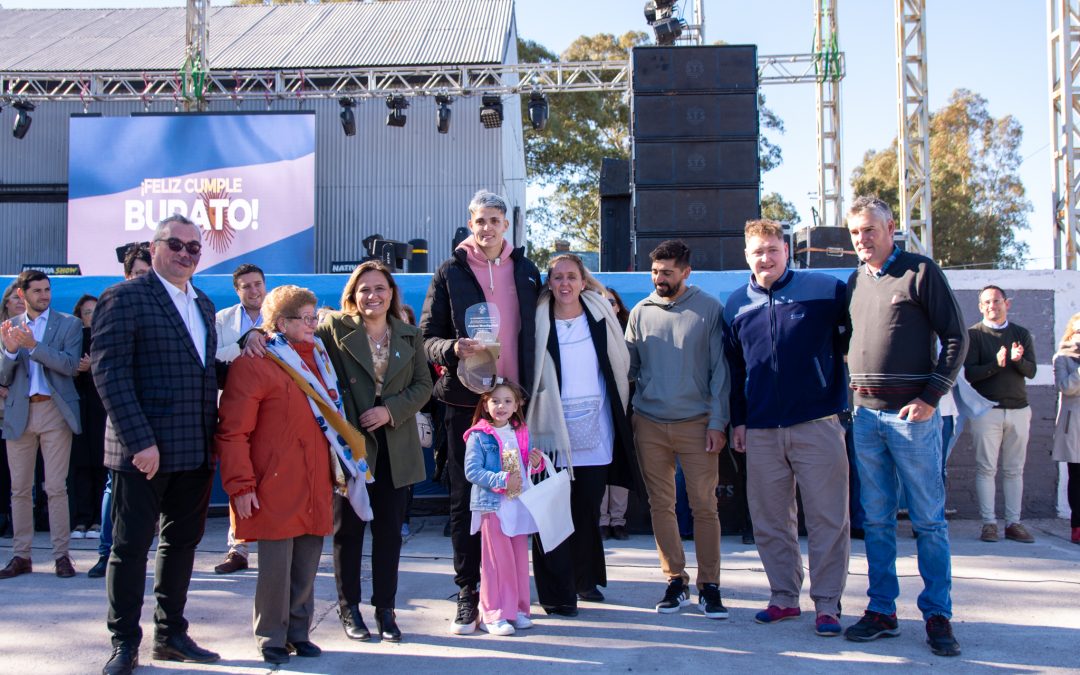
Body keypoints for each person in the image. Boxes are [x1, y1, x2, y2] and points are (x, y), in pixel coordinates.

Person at [92, 214, 223, 674]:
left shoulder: (203, 304)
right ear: (154, 247)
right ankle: (124, 641)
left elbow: (203, 371)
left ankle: (170, 635)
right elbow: (110, 374)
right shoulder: (123, 298)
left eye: (194, 248)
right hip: (142, 454)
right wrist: (139, 442)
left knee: (181, 545)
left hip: (194, 448)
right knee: (130, 550)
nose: (186, 254)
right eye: (177, 245)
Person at [842, 196, 967, 657]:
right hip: (865, 418)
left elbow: (957, 336)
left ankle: (937, 615)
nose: (863, 240)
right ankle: (882, 611)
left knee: (928, 522)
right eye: (855, 233)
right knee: (875, 520)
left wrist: (931, 396)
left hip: (911, 418)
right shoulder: (856, 281)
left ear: (891, 227)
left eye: (870, 230)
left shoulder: (920, 272)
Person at [419, 189, 541, 634]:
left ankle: (509, 594)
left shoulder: (527, 271)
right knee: (466, 501)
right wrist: (453, 348)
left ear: (506, 225)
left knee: (516, 496)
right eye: (479, 221)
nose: (486, 227)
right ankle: (468, 594)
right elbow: (426, 337)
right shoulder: (449, 271)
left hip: (515, 404)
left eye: (494, 220)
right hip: (465, 404)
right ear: (470, 224)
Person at [722, 219, 850, 636]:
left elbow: (852, 345)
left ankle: (828, 604)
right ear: (746, 255)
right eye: (758, 251)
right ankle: (783, 597)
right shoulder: (736, 304)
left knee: (828, 517)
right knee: (770, 519)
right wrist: (739, 420)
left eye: (773, 249)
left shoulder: (827, 291)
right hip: (760, 430)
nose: (766, 258)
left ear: (786, 250)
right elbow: (734, 370)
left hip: (817, 423)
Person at [216, 286, 336, 665]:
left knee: (307, 562)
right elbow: (233, 432)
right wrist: (240, 485)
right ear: (282, 323)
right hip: (274, 482)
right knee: (276, 568)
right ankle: (271, 636)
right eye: (307, 318)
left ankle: (299, 632)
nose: (314, 324)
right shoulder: (255, 363)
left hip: (316, 480)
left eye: (315, 316)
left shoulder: (319, 359)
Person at [318, 261, 432, 643]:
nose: (373, 295)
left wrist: (390, 410)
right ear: (353, 294)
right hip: (352, 447)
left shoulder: (410, 334)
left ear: (391, 293)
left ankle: (386, 609)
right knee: (347, 533)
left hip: (396, 445)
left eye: (380, 288)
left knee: (388, 534)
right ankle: (349, 609)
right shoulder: (334, 329)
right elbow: (299, 341)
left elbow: (423, 386)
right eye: (364, 289)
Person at [526, 254, 642, 616]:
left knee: (586, 509)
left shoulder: (599, 311)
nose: (564, 284)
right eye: (557, 277)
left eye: (571, 277)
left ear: (582, 280)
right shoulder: (538, 317)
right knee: (552, 511)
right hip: (551, 430)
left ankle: (584, 581)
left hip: (596, 429)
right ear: (549, 282)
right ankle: (556, 594)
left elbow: (619, 360)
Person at [624, 239, 730, 619]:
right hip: (649, 424)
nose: (659, 278)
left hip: (698, 424)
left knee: (705, 507)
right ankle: (675, 581)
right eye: (654, 271)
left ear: (686, 271)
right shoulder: (640, 312)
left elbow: (721, 372)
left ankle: (710, 586)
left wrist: (718, 422)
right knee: (661, 506)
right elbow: (628, 370)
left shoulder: (709, 310)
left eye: (667, 271)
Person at [0, 270, 83, 580]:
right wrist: (9, 349)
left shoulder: (69, 324)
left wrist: (33, 346)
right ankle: (21, 555)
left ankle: (62, 555)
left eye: (47, 289)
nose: (44, 295)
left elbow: (70, 365)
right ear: (22, 294)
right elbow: (3, 376)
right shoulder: (9, 327)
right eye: (37, 291)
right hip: (19, 411)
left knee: (55, 487)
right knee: (20, 489)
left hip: (54, 411)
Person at [87, 245, 151, 580]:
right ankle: (104, 552)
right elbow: (108, 371)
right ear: (127, 276)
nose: (146, 281)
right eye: (140, 274)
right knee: (115, 491)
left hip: (161, 423)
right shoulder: (114, 304)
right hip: (126, 423)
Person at [464, 379, 545, 635]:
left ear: (517, 405)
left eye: (507, 401)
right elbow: (472, 471)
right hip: (493, 506)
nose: (501, 406)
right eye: (495, 400)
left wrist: (536, 463)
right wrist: (501, 480)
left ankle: (518, 610)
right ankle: (492, 613)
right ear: (485, 404)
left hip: (518, 503)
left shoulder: (520, 430)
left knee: (519, 560)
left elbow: (524, 466)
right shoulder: (479, 435)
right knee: (495, 562)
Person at [964, 285, 1038, 543]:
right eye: (986, 302)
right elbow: (970, 374)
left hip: (1019, 409)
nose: (991, 306)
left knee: (1014, 470)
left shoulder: (1021, 333)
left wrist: (1017, 360)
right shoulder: (973, 335)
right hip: (987, 410)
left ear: (1007, 303)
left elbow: (1031, 371)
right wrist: (996, 364)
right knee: (986, 469)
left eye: (996, 301)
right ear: (980, 306)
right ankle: (989, 524)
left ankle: (1014, 523)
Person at [213, 263, 268, 575]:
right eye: (246, 286)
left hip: (274, 407)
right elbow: (215, 358)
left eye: (258, 284)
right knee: (240, 474)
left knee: (272, 473)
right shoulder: (222, 319)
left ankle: (276, 539)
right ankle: (239, 547)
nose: (254, 290)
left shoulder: (279, 313)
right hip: (237, 406)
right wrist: (244, 341)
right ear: (237, 290)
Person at [70, 294, 107, 541]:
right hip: (78, 406)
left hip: (103, 408)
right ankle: (81, 519)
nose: (91, 316)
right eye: (86, 312)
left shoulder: (107, 337)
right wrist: (78, 368)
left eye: (95, 311)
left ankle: (98, 521)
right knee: (80, 464)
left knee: (101, 465)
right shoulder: (73, 338)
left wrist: (95, 365)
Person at [599, 287, 631, 541]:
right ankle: (601, 520)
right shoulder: (590, 329)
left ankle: (618, 520)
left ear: (619, 306)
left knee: (619, 464)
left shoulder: (629, 332)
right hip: (598, 408)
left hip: (624, 406)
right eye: (601, 302)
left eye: (611, 302)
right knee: (600, 465)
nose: (607, 305)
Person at [0, 282, 27, 540]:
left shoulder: (33, 330)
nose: (19, 300)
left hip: (24, 413)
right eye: (14, 297)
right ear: (6, 302)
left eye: (22, 296)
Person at [1052, 312, 1080, 545]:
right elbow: (1065, 387)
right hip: (1075, 426)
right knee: (1077, 477)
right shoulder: (1062, 357)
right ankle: (1077, 526)